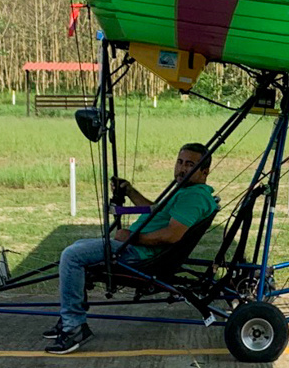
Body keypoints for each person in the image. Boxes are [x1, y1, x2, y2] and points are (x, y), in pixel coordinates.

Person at [44, 143, 218, 354]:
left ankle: (73, 327)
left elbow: (172, 235)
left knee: (71, 256)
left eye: (190, 164)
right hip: (135, 248)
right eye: (180, 162)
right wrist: (130, 191)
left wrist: (133, 238)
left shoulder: (193, 197)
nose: (181, 169)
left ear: (205, 171)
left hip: (139, 255)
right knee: (78, 247)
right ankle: (70, 318)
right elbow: (155, 210)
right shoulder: (186, 192)